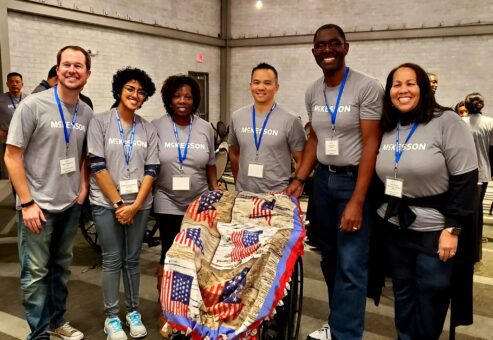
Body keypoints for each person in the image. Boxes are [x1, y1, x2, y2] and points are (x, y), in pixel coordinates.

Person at [286, 24, 383, 340]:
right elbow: (315, 137)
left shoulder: (366, 87)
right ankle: (338, 322)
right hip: (324, 184)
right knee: (329, 259)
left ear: (345, 47)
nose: (327, 50)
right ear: (314, 51)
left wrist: (357, 199)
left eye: (333, 44)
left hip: (354, 182)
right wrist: (300, 178)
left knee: (351, 265)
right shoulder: (313, 91)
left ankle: (348, 334)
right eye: (320, 45)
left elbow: (371, 143)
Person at [375, 62, 478, 340]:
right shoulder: (388, 125)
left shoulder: (446, 121)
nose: (403, 90)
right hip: (396, 226)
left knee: (431, 294)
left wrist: (452, 228)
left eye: (411, 83)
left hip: (435, 231)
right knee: (403, 293)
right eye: (396, 84)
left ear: (423, 87)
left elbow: (466, 179)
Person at [4, 45, 93, 340]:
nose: (72, 70)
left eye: (78, 66)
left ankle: (56, 321)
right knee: (35, 275)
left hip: (69, 204)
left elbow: (83, 155)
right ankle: (39, 333)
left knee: (60, 270)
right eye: (66, 64)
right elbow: (12, 156)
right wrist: (27, 202)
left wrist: (82, 188)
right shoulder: (33, 105)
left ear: (87, 74)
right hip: (37, 206)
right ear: (57, 70)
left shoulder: (87, 111)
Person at [87, 67, 158, 340]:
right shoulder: (100, 122)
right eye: (130, 89)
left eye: (141, 92)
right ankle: (112, 318)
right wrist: (119, 205)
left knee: (132, 259)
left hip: (139, 204)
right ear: (119, 90)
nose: (135, 95)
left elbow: (151, 171)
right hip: (106, 204)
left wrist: (135, 205)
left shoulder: (148, 128)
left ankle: (133, 312)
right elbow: (97, 166)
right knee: (112, 259)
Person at [151, 75, 218, 308]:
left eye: (188, 97)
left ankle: (193, 304)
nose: (182, 100)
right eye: (177, 96)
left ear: (195, 100)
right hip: (166, 200)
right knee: (169, 254)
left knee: (196, 256)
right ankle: (167, 308)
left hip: (198, 202)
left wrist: (215, 189)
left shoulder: (205, 128)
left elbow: (210, 164)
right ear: (169, 99)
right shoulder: (156, 127)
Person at [228, 62, 305, 193]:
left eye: (267, 83)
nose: (261, 87)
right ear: (250, 85)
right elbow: (234, 153)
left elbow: (301, 159)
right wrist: (238, 184)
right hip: (243, 195)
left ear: (276, 87)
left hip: (277, 196)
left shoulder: (291, 120)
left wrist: (295, 185)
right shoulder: (237, 116)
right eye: (256, 82)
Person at [462, 92, 493, 260]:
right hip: (483, 173)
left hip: (463, 173)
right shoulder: (490, 123)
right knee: (477, 212)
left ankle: (467, 249)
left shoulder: (460, 122)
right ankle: (474, 251)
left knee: (465, 212)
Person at [0, 72, 27, 178]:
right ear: (7, 84)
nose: (14, 84)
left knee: (26, 169)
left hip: (26, 141)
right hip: (8, 141)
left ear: (22, 84)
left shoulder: (29, 99)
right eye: (11, 82)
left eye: (17, 82)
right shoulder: (1, 99)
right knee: (13, 171)